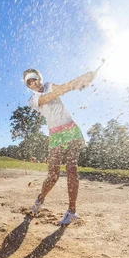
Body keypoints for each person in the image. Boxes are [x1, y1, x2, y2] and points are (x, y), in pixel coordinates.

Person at [23, 68, 96, 225]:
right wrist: (75, 82)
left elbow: (64, 87)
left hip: (71, 130)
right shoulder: (33, 99)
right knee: (53, 176)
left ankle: (71, 211)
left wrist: (82, 80)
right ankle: (39, 200)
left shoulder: (50, 85)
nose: (33, 83)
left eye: (34, 79)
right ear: (27, 86)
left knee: (72, 168)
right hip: (56, 135)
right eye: (29, 82)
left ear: (40, 78)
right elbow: (52, 96)